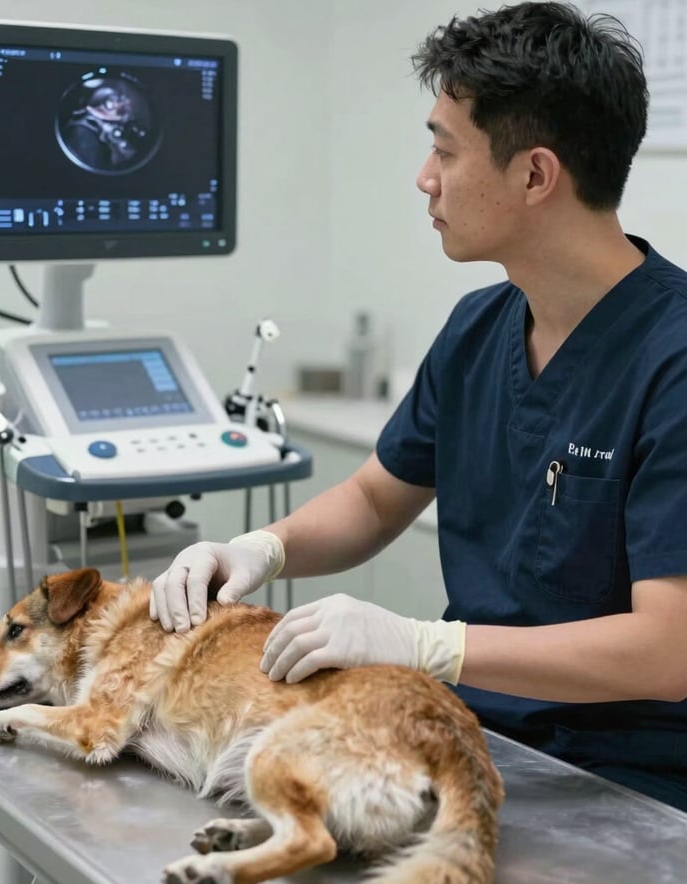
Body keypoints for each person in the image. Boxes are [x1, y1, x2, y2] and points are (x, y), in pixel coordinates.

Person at [150, 2, 687, 811]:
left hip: (627, 779)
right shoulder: (480, 326)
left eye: (444, 149)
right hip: (465, 733)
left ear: (536, 175)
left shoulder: (671, 359)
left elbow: (666, 648)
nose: (424, 177)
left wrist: (428, 644)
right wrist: (261, 548)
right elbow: (374, 497)